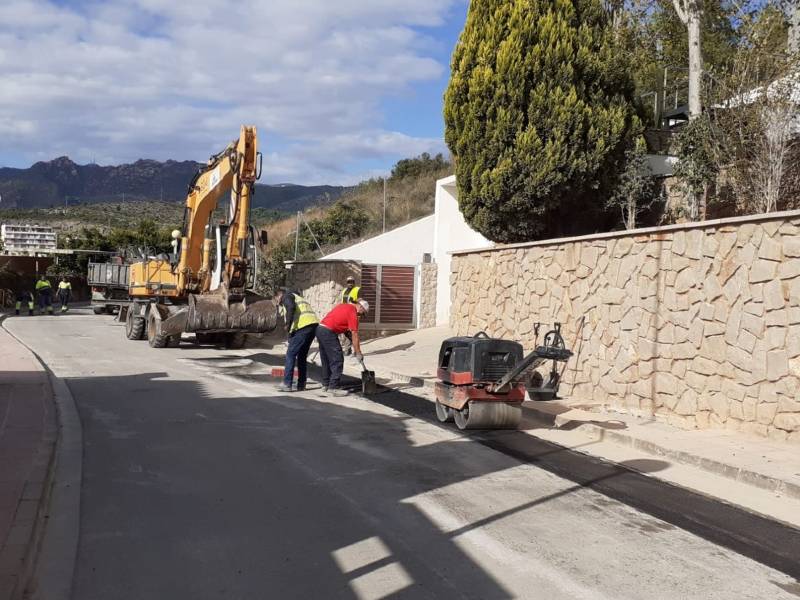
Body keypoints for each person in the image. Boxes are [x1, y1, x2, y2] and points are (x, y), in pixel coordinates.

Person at [315, 299, 369, 396]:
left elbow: (342, 325)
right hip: (328, 332)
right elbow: (354, 334)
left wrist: (353, 342)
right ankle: (333, 387)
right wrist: (358, 352)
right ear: (360, 307)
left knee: (326, 359)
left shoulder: (344, 306)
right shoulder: (353, 313)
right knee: (338, 359)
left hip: (320, 329)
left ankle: (326, 384)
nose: (361, 316)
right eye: (362, 313)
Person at [274, 288, 319, 393]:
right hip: (312, 326)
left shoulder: (287, 296)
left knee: (290, 354)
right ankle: (301, 384)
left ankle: (287, 383)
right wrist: (291, 334)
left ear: (279, 295)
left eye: (276, 299)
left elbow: (291, 308)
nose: (277, 302)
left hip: (303, 327)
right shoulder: (298, 298)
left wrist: (287, 326)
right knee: (302, 356)